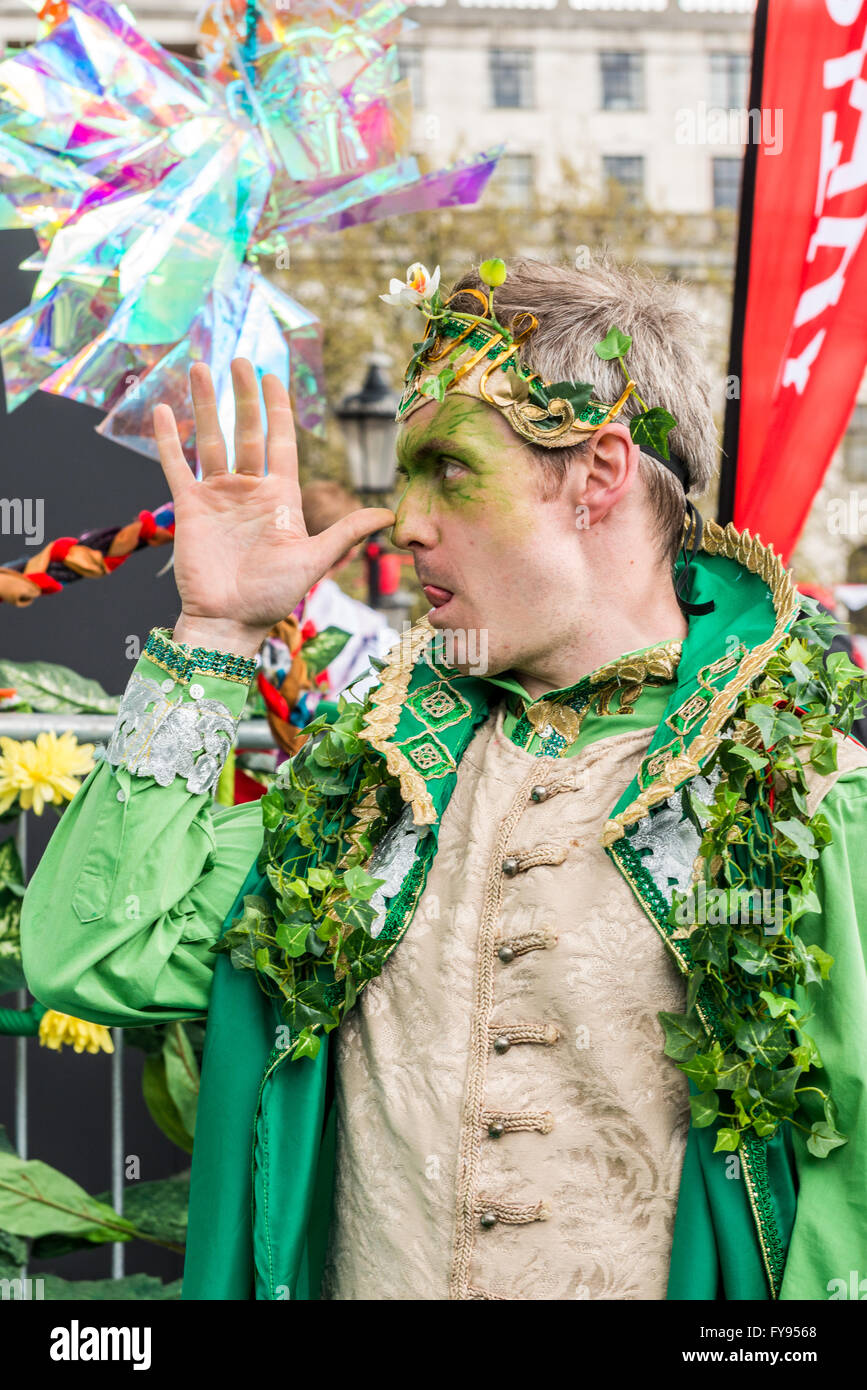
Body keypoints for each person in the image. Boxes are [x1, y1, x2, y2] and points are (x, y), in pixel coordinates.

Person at [20, 255, 867, 1301]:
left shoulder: (808, 797)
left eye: (449, 471)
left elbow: (845, 1205)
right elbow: (91, 947)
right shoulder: (372, 788)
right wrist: (215, 636)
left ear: (598, 475)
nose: (406, 521)